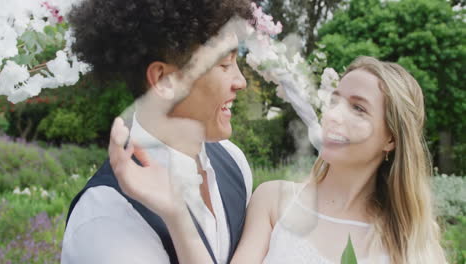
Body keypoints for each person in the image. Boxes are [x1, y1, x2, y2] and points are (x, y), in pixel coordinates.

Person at [109, 56, 447, 264]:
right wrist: (177, 213)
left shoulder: (411, 238)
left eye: (358, 108)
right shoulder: (275, 201)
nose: (334, 116)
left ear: (391, 138)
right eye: (335, 100)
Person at [61, 0, 255, 263]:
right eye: (224, 64)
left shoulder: (234, 161)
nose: (241, 82)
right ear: (164, 80)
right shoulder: (107, 218)